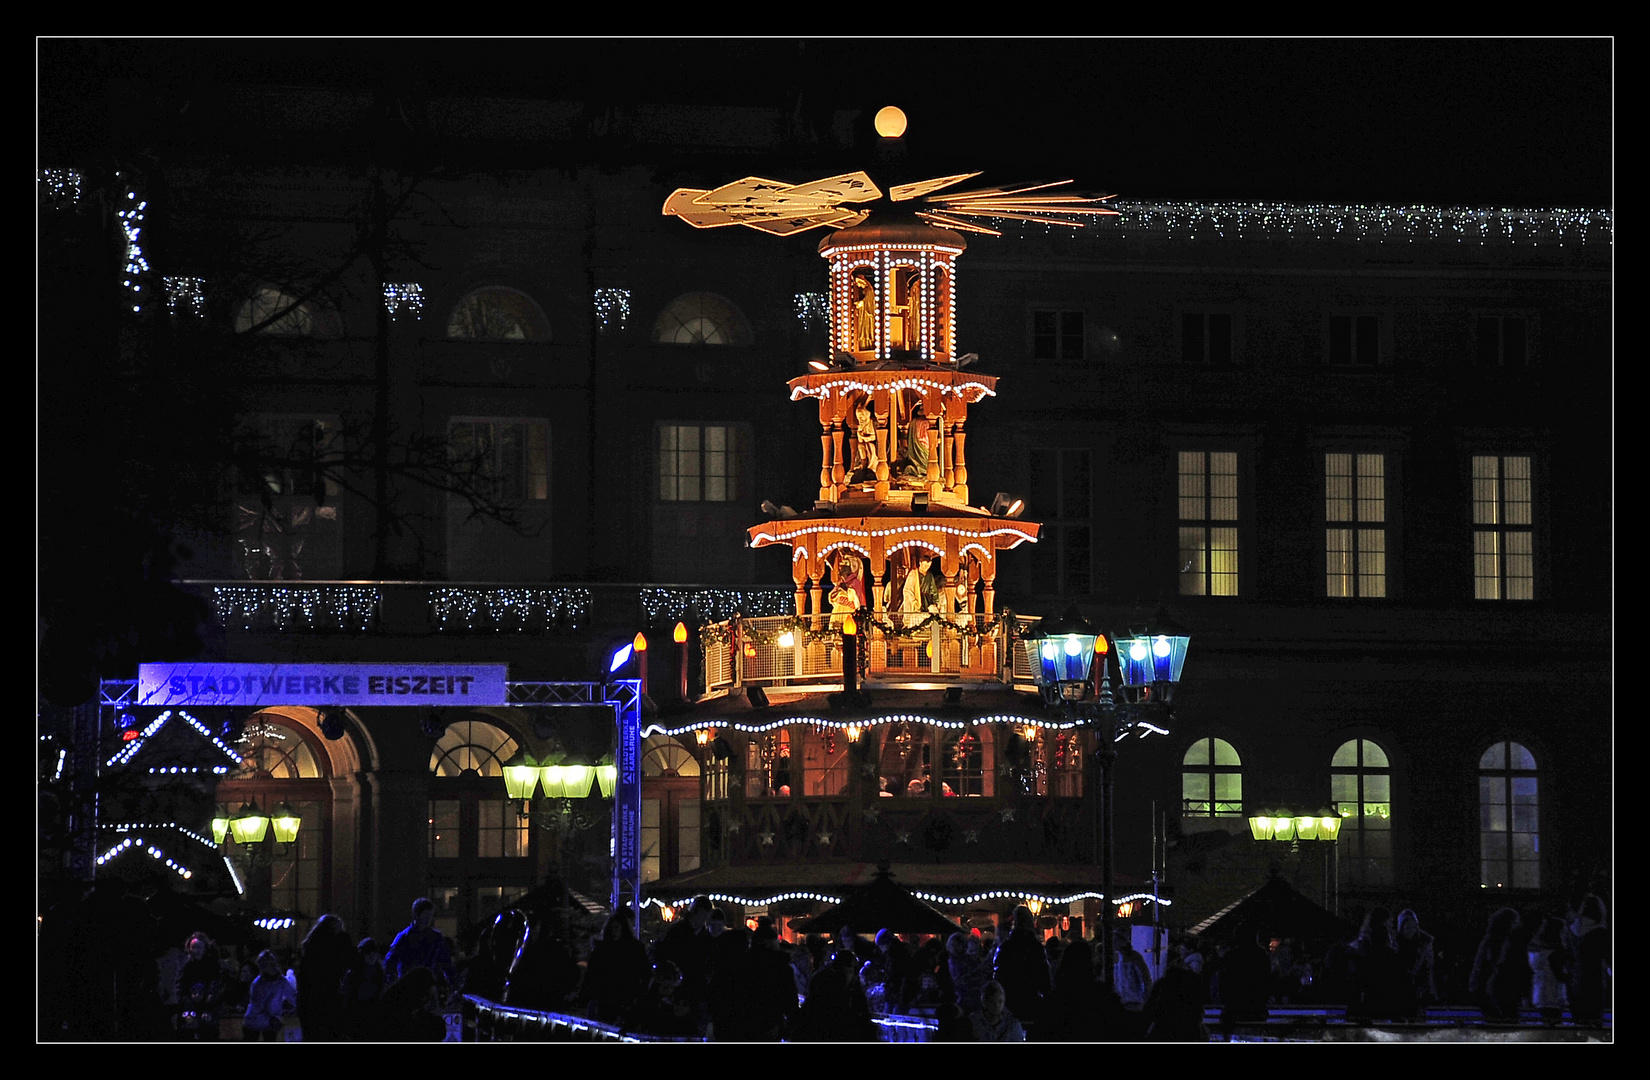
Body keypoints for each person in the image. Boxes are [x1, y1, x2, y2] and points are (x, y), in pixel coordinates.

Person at [582, 909, 650, 1024]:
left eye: (617, 927)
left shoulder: (634, 950)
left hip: (627, 1000)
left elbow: (645, 973)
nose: (613, 931)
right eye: (611, 928)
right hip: (605, 1001)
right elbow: (592, 976)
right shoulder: (601, 951)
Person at [297, 914, 358, 1041]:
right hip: (328, 998)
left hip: (309, 1000)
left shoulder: (310, 947)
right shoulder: (336, 947)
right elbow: (352, 961)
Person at [992, 905, 1049, 1029]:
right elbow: (1044, 976)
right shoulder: (1035, 947)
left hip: (1009, 1000)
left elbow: (997, 973)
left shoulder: (1006, 946)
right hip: (1030, 999)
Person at [384, 897, 456, 992]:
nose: (429, 919)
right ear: (416, 915)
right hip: (411, 986)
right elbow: (389, 964)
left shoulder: (435, 937)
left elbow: (446, 963)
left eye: (430, 915)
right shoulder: (404, 937)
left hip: (425, 986)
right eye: (426, 915)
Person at [1468, 907, 1526, 1021]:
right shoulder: (1499, 942)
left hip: (1484, 987)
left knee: (1496, 1021)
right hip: (1491, 988)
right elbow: (1497, 965)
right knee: (1506, 1021)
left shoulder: (1491, 940)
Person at [1565, 894, 1609, 1026]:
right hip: (1594, 979)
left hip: (1574, 979)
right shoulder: (1600, 933)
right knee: (1594, 1021)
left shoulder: (1572, 931)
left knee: (1579, 1021)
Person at [174, 932, 225, 1040]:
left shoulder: (213, 966)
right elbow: (180, 987)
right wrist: (188, 1001)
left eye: (199, 947)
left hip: (208, 1010)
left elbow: (215, 987)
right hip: (190, 1010)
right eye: (193, 947)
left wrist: (208, 1005)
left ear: (205, 948)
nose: (196, 950)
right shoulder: (186, 967)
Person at [243, 949, 298, 1041]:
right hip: (254, 1023)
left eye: (274, 963)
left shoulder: (281, 981)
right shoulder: (257, 984)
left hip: (270, 1024)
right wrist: (272, 1019)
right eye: (270, 964)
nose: (275, 967)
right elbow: (258, 1007)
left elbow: (293, 997)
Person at [1527, 916, 1568, 1025]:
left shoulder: (1535, 951)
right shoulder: (1556, 953)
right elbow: (1559, 975)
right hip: (1553, 995)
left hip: (1539, 994)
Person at [1395, 908, 1437, 1010]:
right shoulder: (1395, 943)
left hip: (1420, 989)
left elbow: (1428, 968)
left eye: (1413, 927)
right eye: (1408, 927)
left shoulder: (1424, 944)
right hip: (1399, 989)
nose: (1411, 930)